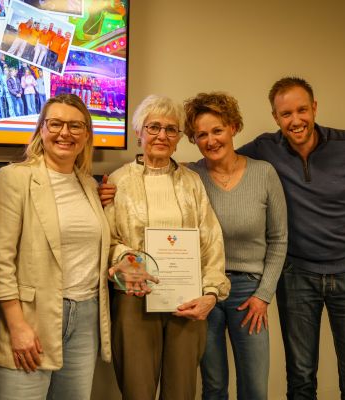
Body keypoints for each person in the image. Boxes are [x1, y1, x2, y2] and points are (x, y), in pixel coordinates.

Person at [237, 76, 345, 399]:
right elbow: (224, 162)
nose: (296, 120)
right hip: (296, 276)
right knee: (301, 379)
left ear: (314, 108)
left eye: (302, 110)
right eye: (286, 114)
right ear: (276, 117)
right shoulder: (265, 148)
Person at [0, 93, 111, 400]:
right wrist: (17, 325)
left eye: (76, 126)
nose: (65, 133)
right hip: (30, 316)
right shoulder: (13, 178)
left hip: (85, 315)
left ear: (86, 135)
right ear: (41, 129)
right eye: (55, 124)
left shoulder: (89, 185)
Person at [104, 94, 230, 400]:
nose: (162, 135)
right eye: (154, 127)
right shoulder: (117, 181)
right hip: (134, 298)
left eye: (171, 129)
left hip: (186, 301)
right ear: (139, 132)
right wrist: (125, 258)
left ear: (179, 138)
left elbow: (210, 239)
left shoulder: (192, 182)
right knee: (137, 391)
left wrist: (211, 293)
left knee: (181, 391)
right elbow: (106, 240)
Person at [183, 92, 288, 400]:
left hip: (249, 294)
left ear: (233, 127)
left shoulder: (264, 173)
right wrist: (110, 189)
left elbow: (279, 239)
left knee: (254, 389)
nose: (210, 140)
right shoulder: (191, 176)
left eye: (217, 130)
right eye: (201, 134)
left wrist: (263, 295)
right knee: (213, 387)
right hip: (205, 290)